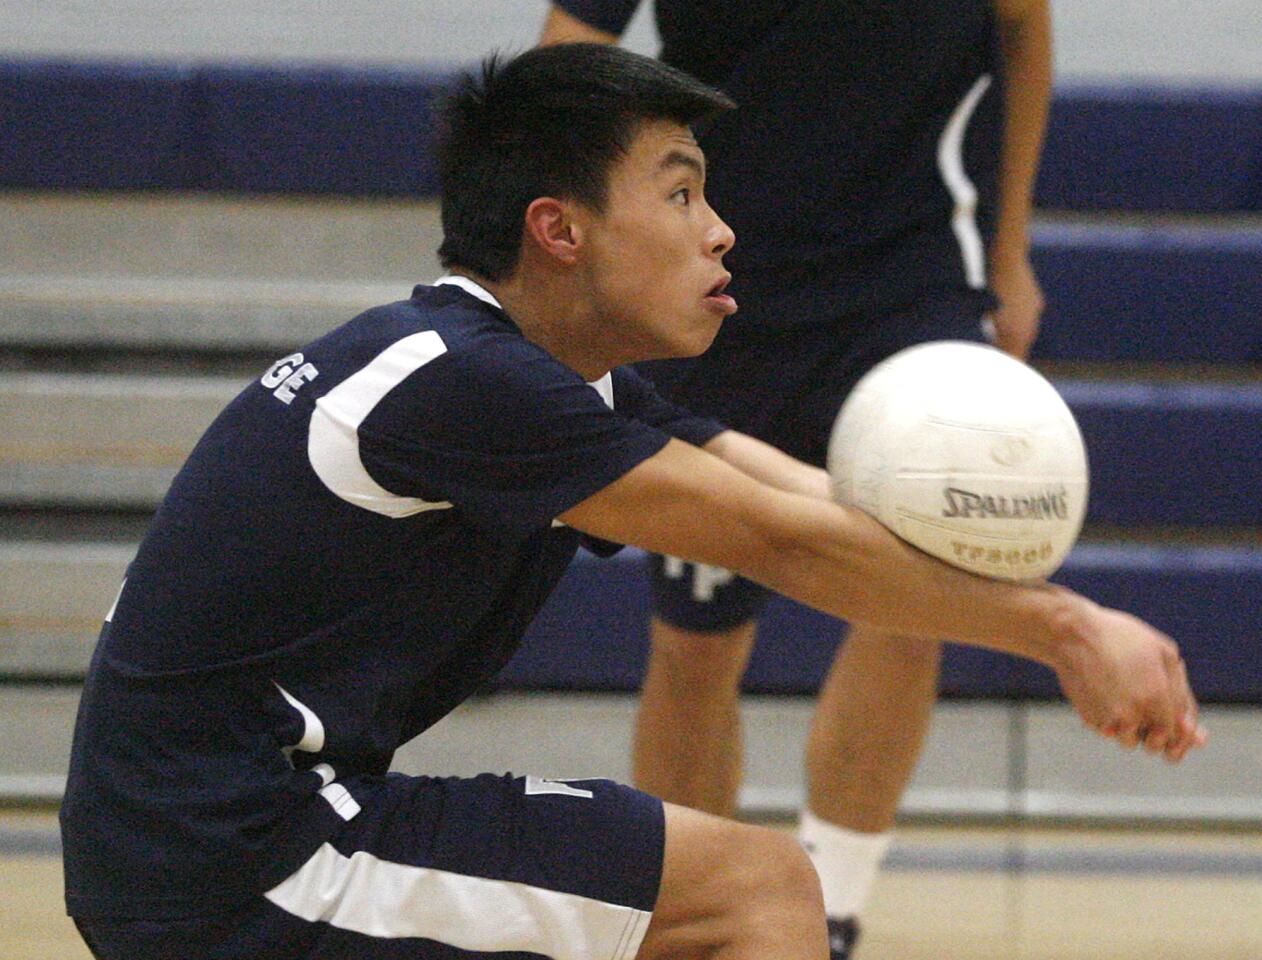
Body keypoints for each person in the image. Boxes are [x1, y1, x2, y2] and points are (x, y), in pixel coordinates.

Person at [61, 43, 1202, 960]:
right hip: (241, 856)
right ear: (557, 230)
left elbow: (813, 501)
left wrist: (1040, 585)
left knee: (681, 895)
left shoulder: (532, 377)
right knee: (755, 892)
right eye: (682, 193)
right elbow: (779, 544)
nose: (720, 229)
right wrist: (1065, 631)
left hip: (218, 835)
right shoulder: (465, 382)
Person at [539, 2, 1056, 953]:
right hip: (714, 286)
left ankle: (840, 907)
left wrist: (1010, 249)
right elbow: (566, 56)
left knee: (910, 597)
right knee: (695, 644)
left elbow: (1025, 28)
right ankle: (686, 915)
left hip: (913, 280)